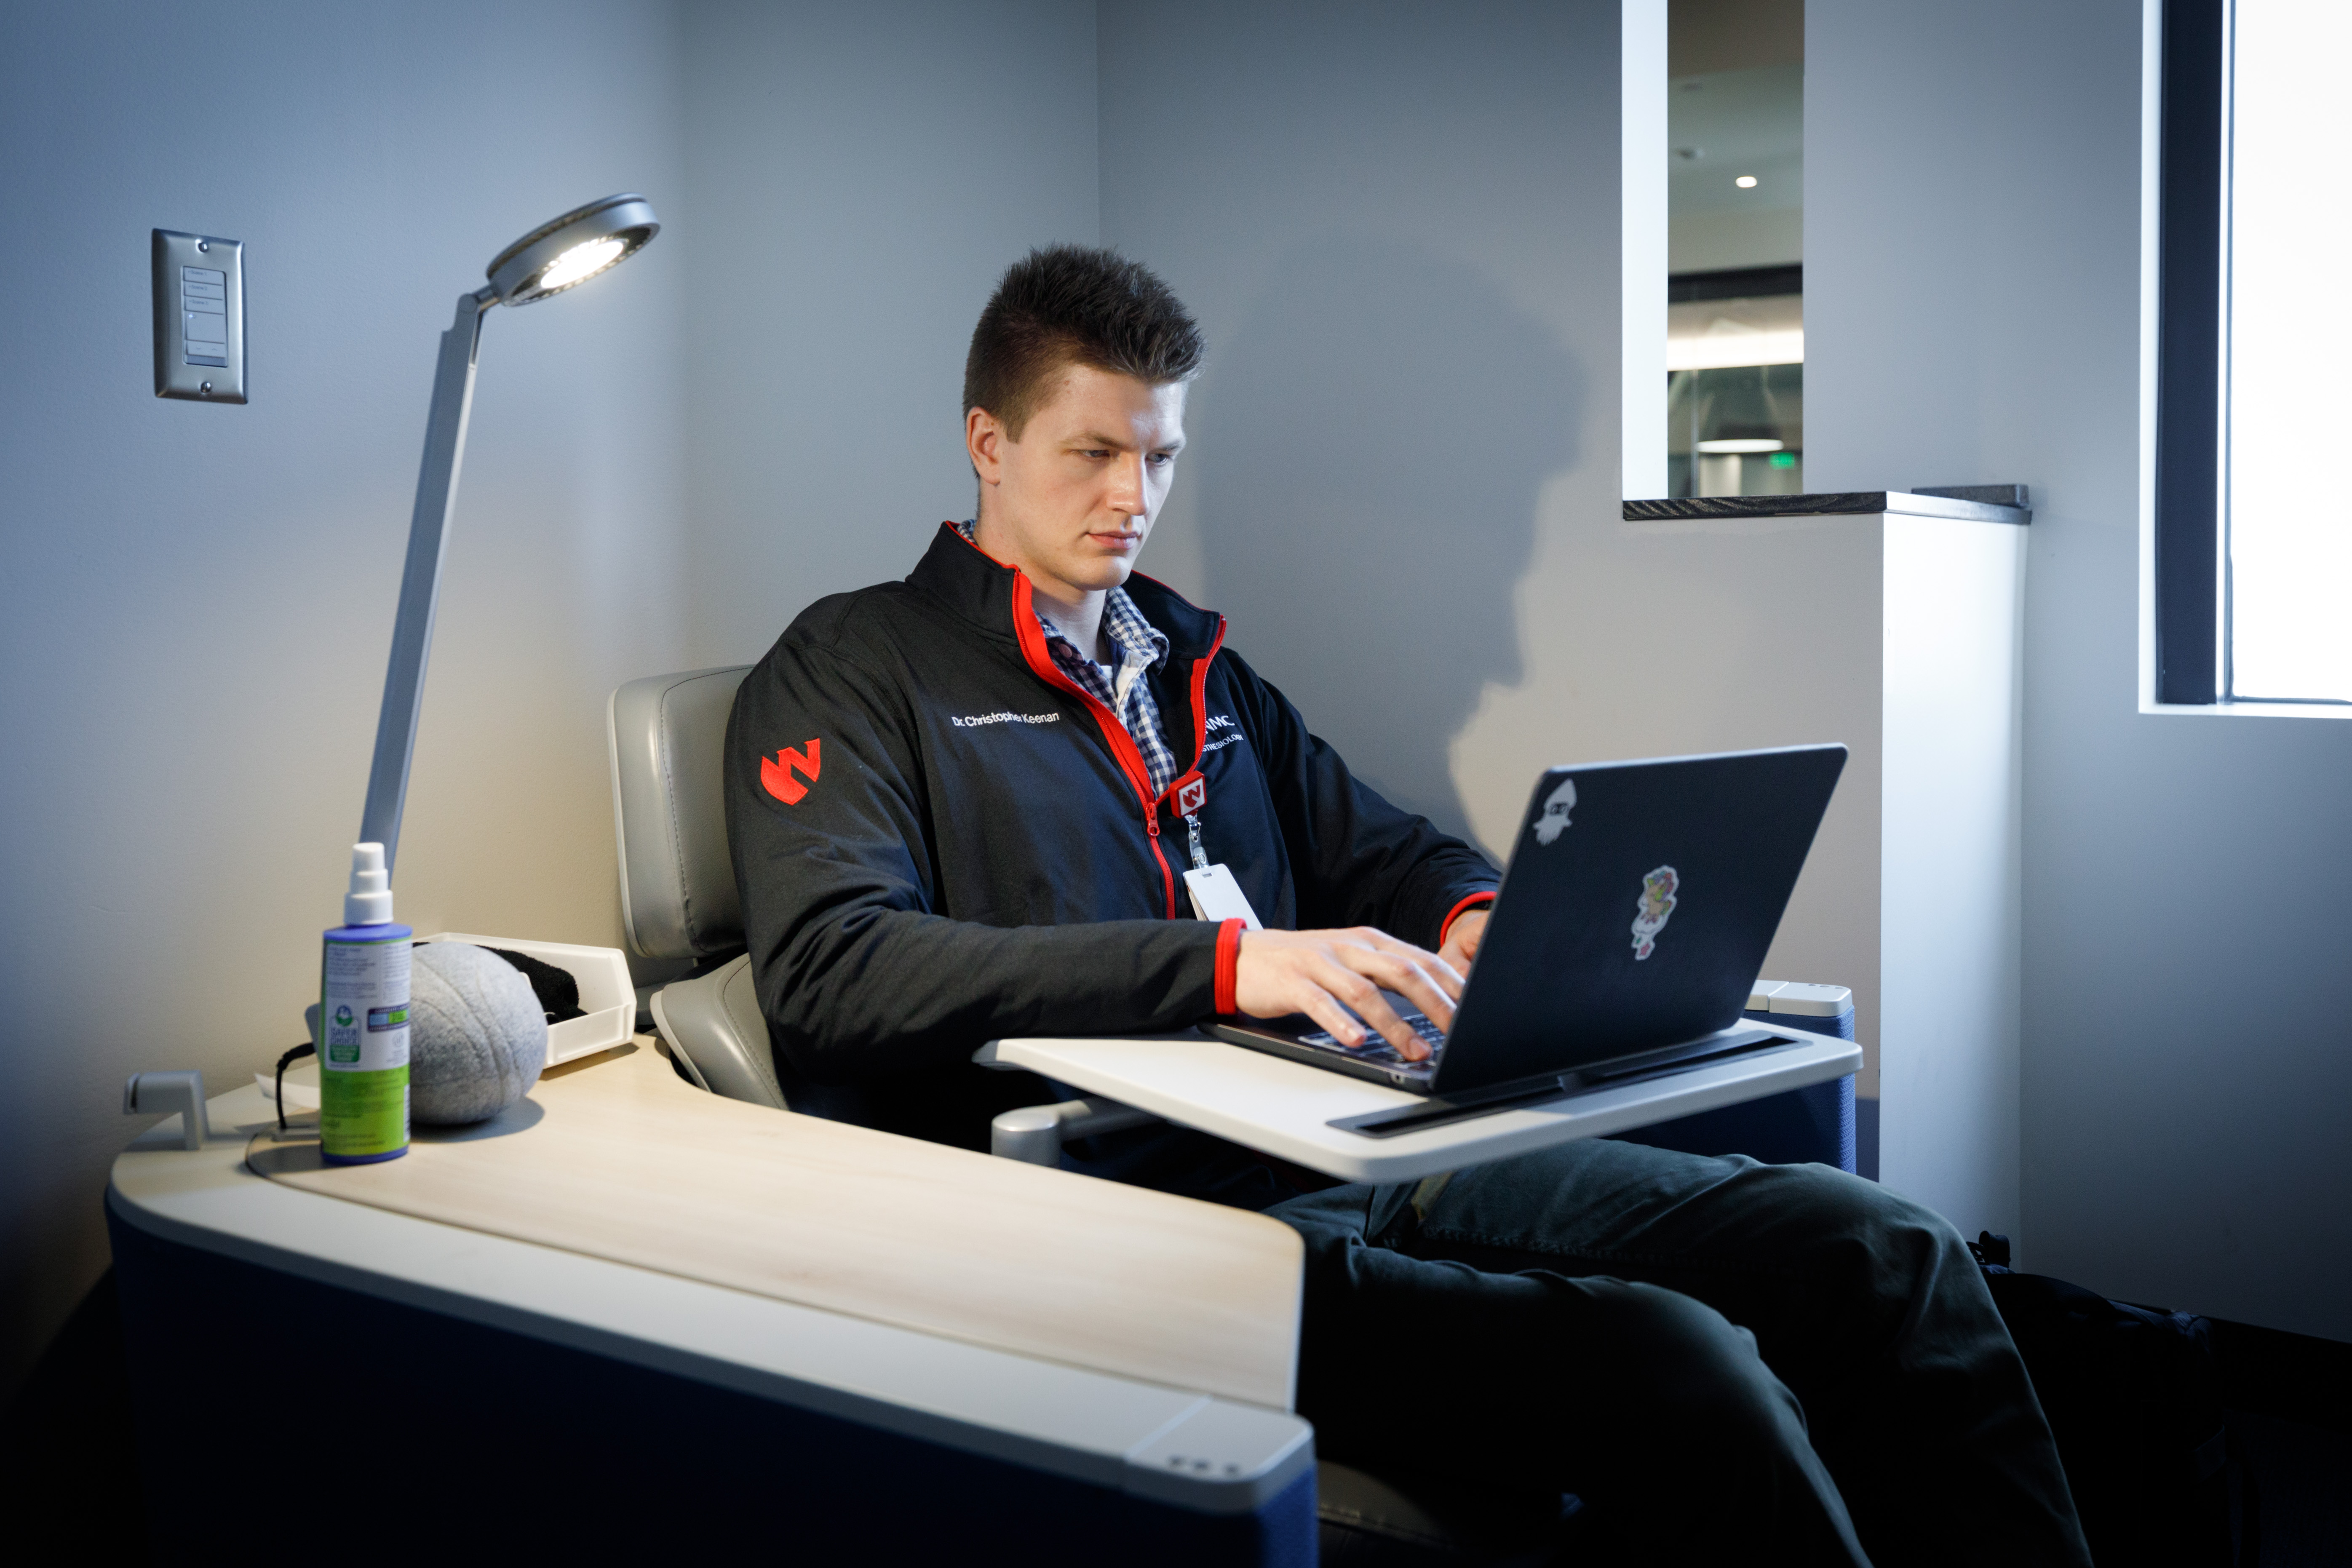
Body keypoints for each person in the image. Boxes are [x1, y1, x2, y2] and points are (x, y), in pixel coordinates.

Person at [724, 245, 2091, 1565]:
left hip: (1369, 1138)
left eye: (1162, 454)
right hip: (1151, 1223)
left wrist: (1478, 920)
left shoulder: (1194, 665)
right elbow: (835, 971)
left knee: (1878, 1247)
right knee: (1679, 1366)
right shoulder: (853, 667)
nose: (1134, 493)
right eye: (1093, 451)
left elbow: (1381, 848)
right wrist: (1225, 966)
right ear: (988, 441)